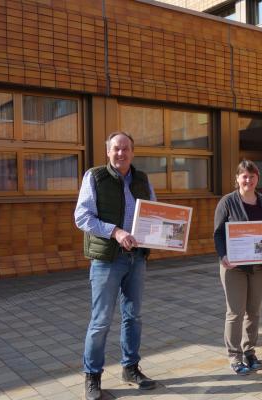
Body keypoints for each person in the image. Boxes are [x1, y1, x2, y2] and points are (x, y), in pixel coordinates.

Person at [74, 132, 158, 400]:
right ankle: (92, 377)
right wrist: (116, 232)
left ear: (133, 152)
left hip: (136, 258)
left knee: (133, 316)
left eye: (126, 149)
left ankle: (130, 368)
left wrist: (169, 231)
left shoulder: (143, 179)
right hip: (107, 259)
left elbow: (155, 212)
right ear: (108, 152)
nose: (121, 154)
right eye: (116, 149)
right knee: (100, 322)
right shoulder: (95, 177)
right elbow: (82, 217)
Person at [213, 160, 262, 375]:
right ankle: (234, 356)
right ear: (237, 178)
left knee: (254, 311)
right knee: (235, 312)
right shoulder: (227, 202)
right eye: (244, 176)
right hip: (235, 267)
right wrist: (222, 255)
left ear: (257, 178)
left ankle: (249, 350)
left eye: (252, 176)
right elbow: (218, 233)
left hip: (259, 266)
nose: (248, 180)